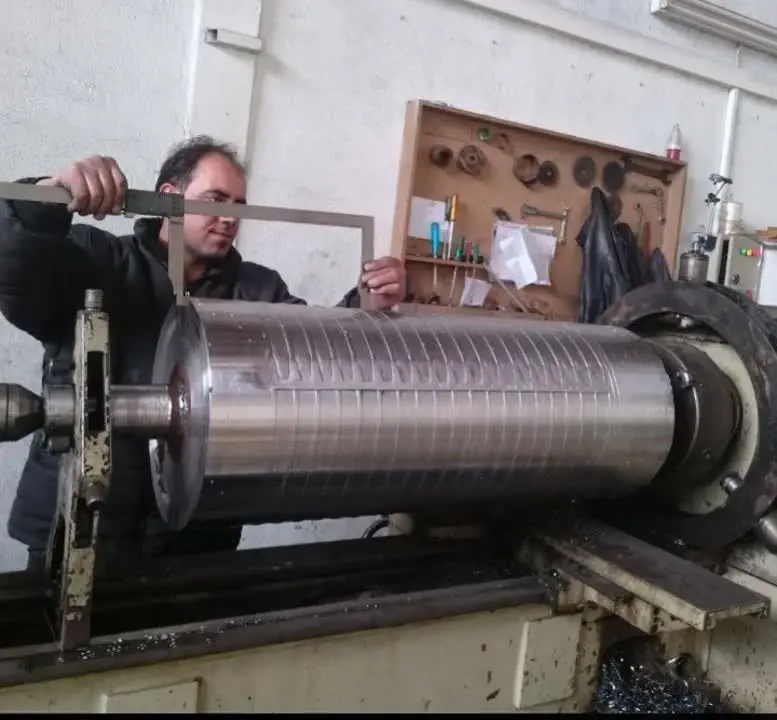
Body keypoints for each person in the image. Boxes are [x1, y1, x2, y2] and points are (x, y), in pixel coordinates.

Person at [0, 135, 407, 570]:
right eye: (215, 199)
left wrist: (365, 305)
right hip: (79, 529)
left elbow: (315, 356)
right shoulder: (94, 259)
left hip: (194, 540)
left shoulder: (257, 291)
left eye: (239, 204)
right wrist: (43, 201)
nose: (230, 218)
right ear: (169, 196)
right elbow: (14, 271)